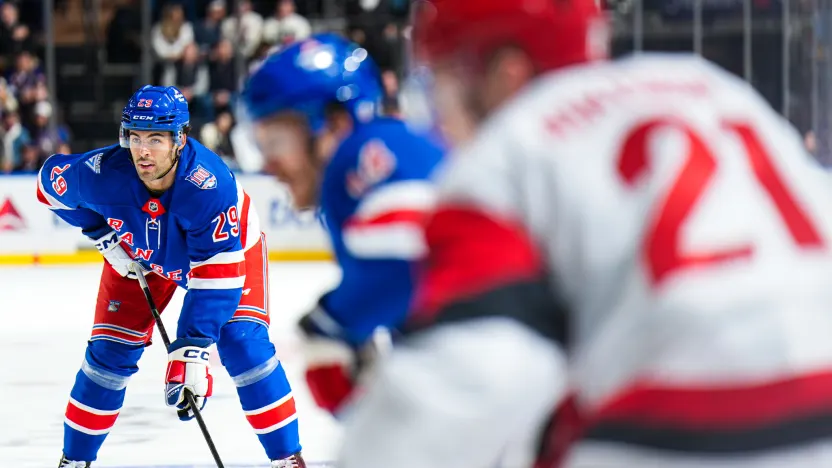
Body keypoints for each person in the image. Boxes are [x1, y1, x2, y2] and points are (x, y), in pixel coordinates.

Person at [337, 1, 832, 467]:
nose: (440, 117)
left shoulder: (511, 147)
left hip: (675, 428)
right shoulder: (713, 89)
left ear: (507, 76)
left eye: (444, 82)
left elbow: (475, 372)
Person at [37, 85, 306, 468]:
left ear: (179, 139)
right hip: (140, 256)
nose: (143, 151)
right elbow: (50, 185)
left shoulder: (208, 186)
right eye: (135, 136)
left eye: (156, 138)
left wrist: (191, 351)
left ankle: (287, 459)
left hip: (223, 258)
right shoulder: (103, 173)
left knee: (243, 344)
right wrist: (101, 233)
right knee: (108, 356)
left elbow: (216, 276)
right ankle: (74, 462)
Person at [239, 33, 444, 415]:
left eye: (277, 141)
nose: (267, 165)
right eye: (260, 144)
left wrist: (332, 325)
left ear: (333, 123)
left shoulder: (362, 153)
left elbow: (414, 259)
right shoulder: (387, 148)